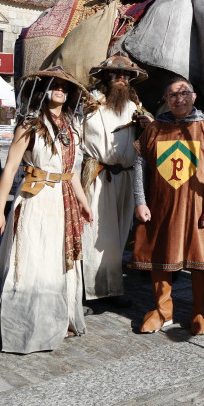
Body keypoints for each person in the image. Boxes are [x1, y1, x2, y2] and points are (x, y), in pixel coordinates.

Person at [0, 66, 94, 353]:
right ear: (44, 90)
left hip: (64, 199)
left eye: (65, 87)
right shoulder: (29, 125)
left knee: (57, 263)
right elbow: (10, 169)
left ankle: (60, 319)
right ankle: (28, 327)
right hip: (35, 199)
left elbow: (71, 172)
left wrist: (84, 202)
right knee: (32, 261)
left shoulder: (72, 127)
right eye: (55, 85)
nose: (60, 90)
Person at [130, 76, 204, 336]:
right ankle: (162, 311)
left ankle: (200, 312)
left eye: (184, 94)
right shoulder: (156, 127)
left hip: (196, 208)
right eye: (172, 95)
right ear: (166, 100)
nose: (178, 99)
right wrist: (140, 201)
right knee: (159, 257)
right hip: (160, 205)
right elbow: (140, 164)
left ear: (193, 97)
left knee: (200, 260)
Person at [80, 52, 152, 306]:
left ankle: (111, 288)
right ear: (105, 76)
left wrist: (150, 125)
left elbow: (148, 143)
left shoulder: (135, 108)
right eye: (116, 73)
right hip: (99, 177)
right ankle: (91, 291)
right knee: (96, 235)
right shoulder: (89, 103)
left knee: (120, 235)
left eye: (126, 75)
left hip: (127, 178)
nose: (122, 78)